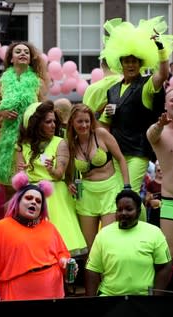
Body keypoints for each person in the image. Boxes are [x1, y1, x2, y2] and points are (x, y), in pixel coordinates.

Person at [0, 172, 72, 308]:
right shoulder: (0, 228)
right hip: (16, 295)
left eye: (38, 201)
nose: (33, 202)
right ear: (18, 200)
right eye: (29, 198)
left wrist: (65, 262)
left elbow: (62, 254)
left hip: (53, 294)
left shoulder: (49, 227)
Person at [98, 17, 173, 218]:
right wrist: (106, 115)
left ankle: (141, 233)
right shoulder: (112, 90)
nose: (130, 64)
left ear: (140, 63)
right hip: (116, 152)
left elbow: (163, 73)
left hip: (138, 151)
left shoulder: (147, 84)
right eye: (126, 60)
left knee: (129, 193)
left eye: (134, 61)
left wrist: (160, 47)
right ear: (120, 63)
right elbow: (104, 125)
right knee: (119, 195)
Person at [17, 101, 87, 256]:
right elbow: (17, 177)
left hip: (55, 195)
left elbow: (60, 172)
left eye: (54, 121)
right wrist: (21, 173)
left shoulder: (60, 143)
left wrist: (51, 169)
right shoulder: (23, 145)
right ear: (37, 124)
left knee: (59, 246)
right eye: (48, 122)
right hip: (31, 196)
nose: (53, 125)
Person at [0, 41, 49, 197]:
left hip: (30, 138)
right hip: (9, 140)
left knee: (31, 184)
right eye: (18, 51)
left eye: (26, 52)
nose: (22, 54)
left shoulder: (38, 82)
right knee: (11, 188)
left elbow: (45, 111)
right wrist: (3, 113)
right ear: (11, 59)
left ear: (30, 58)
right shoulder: (2, 82)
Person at [65, 104, 130, 250]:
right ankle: (91, 273)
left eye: (87, 121)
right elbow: (67, 173)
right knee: (90, 246)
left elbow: (120, 159)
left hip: (110, 191)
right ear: (72, 123)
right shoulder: (71, 144)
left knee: (108, 242)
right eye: (80, 121)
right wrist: (69, 183)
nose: (84, 125)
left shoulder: (101, 134)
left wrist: (126, 187)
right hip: (86, 194)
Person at [85, 189, 172, 296]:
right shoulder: (103, 234)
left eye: (129, 209)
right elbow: (92, 270)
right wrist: (91, 304)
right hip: (109, 298)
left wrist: (155, 298)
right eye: (119, 209)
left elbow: (165, 267)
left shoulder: (154, 232)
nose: (123, 213)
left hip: (143, 300)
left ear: (139, 211)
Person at [147, 88, 173, 257]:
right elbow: (151, 136)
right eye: (172, 100)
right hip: (169, 200)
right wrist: (160, 124)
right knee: (168, 250)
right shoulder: (160, 131)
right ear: (165, 104)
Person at [145, 161, 162, 227]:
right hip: (154, 212)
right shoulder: (151, 184)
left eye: (162, 169)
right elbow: (146, 202)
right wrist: (149, 199)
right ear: (155, 171)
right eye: (158, 170)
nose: (161, 172)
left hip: (165, 210)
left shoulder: (168, 184)